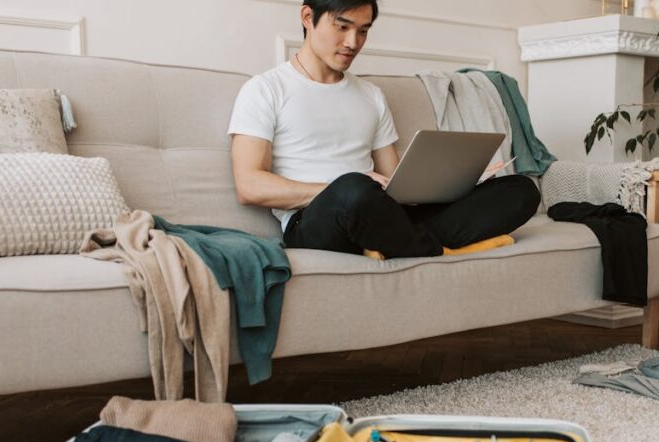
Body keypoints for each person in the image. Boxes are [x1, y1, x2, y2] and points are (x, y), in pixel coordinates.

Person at [228, 0, 540, 259]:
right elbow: (250, 186)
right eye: (343, 27)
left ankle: (393, 244)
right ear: (308, 17)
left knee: (519, 190)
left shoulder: (370, 95)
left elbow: (395, 182)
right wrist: (340, 188)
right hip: (316, 222)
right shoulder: (264, 89)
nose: (353, 43)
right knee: (353, 189)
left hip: (382, 213)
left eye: (363, 31)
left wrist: (462, 181)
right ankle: (435, 250)